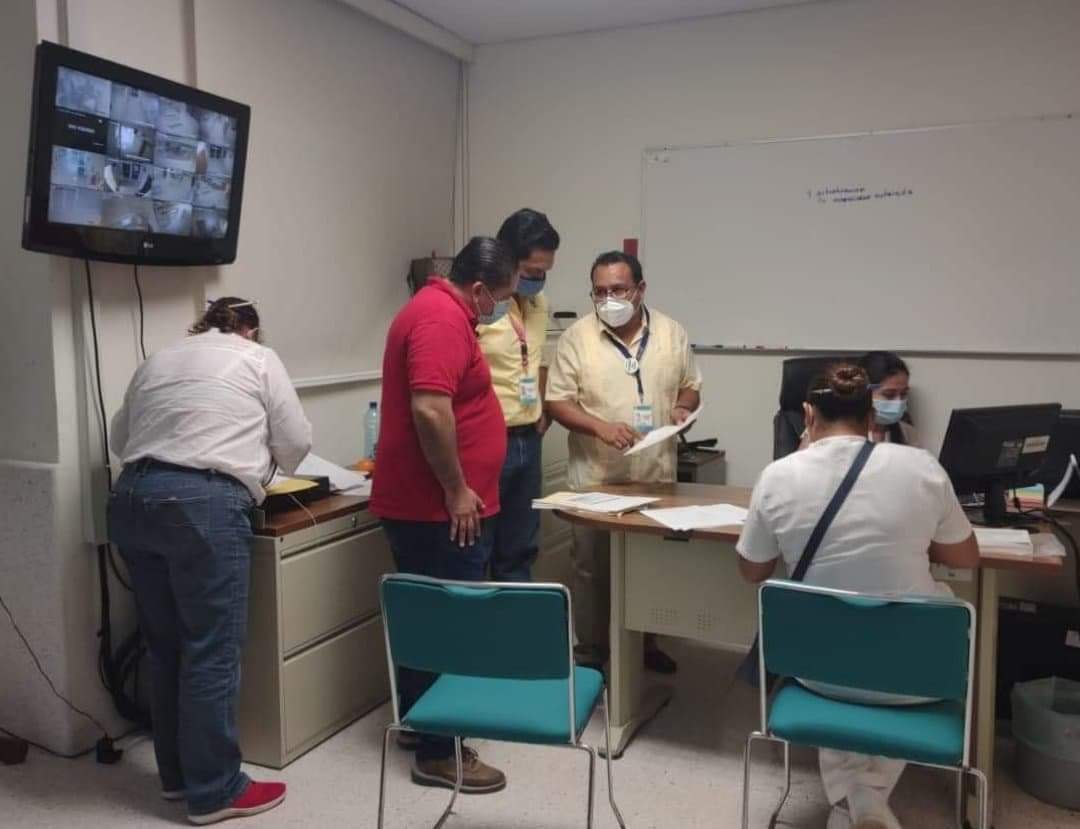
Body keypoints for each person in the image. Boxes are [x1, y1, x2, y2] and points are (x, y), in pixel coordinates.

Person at [736, 363, 980, 829]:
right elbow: (965, 557)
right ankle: (866, 801)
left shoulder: (778, 476)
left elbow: (752, 571)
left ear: (808, 415)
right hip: (916, 676)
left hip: (816, 671)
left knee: (835, 625)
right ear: (871, 416)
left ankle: (857, 802)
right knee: (937, 602)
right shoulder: (921, 468)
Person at [108, 297, 312, 825]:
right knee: (212, 651)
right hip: (202, 503)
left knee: (164, 647)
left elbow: (119, 439)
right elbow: (296, 442)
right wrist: (258, 459)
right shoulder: (257, 357)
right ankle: (216, 790)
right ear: (250, 328)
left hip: (132, 498)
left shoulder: (159, 358)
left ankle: (177, 778)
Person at [371, 236, 517, 793]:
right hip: (440, 510)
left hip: (433, 506)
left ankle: (422, 723)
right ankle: (441, 752)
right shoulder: (439, 319)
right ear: (479, 289)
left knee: (425, 620)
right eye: (502, 297)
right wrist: (457, 489)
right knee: (451, 627)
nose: (502, 307)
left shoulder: (442, 311)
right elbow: (431, 410)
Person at [546, 251, 702, 674]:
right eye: (599, 292)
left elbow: (690, 386)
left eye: (618, 290)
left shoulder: (671, 333)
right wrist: (599, 427)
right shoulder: (576, 337)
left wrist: (683, 407)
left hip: (655, 477)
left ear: (640, 289)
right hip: (597, 479)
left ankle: (645, 643)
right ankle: (591, 654)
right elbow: (557, 401)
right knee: (592, 570)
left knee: (651, 567)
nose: (608, 299)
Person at [475, 208, 560, 581]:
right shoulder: (482, 303)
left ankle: (514, 618)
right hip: (487, 440)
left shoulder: (540, 303)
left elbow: (537, 358)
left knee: (521, 549)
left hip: (529, 439)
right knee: (478, 547)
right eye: (531, 272)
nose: (538, 280)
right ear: (506, 259)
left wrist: (542, 409)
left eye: (544, 272)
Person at [860, 351, 920, 447]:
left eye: (903, 393)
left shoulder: (907, 432)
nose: (899, 402)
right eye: (889, 394)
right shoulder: (845, 436)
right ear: (863, 392)